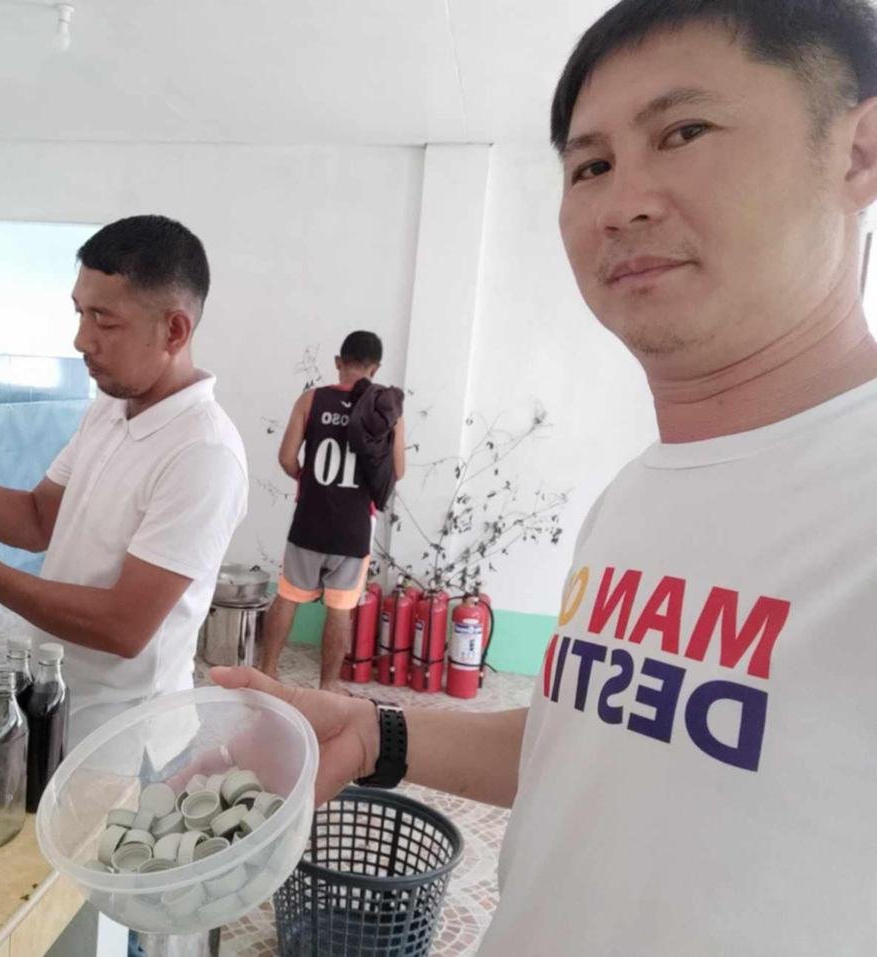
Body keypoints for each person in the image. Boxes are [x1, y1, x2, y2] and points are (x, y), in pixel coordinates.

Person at [216, 0, 877, 952]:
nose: (621, 203)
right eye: (590, 165)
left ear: (859, 151)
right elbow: (595, 739)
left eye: (684, 132)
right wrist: (372, 731)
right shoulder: (635, 495)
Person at [0, 214, 249, 746]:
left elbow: (124, 626)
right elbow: (38, 520)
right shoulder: (110, 408)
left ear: (174, 330)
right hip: (58, 696)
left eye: (105, 321)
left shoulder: (203, 453)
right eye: (79, 312)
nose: (81, 340)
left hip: (128, 734)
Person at [258, 331, 405, 692]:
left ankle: (266, 673)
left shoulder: (312, 399)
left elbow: (286, 458)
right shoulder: (387, 409)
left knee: (288, 597)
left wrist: (305, 479)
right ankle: (327, 687)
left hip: (310, 520)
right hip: (354, 529)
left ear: (339, 362)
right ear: (375, 368)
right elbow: (398, 471)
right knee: (340, 609)